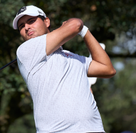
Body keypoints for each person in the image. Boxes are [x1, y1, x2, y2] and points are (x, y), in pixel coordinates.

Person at [12, 5, 116, 133]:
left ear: (47, 22)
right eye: (22, 26)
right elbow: (75, 24)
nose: (27, 27)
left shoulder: (72, 57)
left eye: (31, 21)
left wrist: (85, 31)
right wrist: (75, 27)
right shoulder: (25, 50)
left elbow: (108, 69)